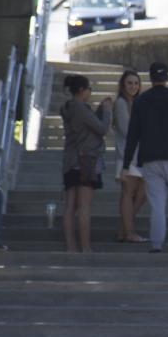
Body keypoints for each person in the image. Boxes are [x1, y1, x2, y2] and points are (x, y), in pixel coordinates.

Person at [121, 61, 168, 254]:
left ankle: (157, 243)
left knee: (157, 204)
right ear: (167, 78)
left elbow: (133, 135)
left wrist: (126, 163)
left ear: (150, 78)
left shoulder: (141, 101)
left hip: (150, 158)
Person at [60, 73, 111, 254]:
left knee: (70, 206)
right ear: (81, 90)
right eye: (89, 89)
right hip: (85, 159)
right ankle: (85, 246)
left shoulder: (67, 107)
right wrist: (106, 110)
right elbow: (101, 128)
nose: (90, 92)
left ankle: (71, 246)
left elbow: (86, 125)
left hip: (70, 159)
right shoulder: (80, 108)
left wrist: (96, 111)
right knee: (84, 206)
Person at [110, 69, 148, 243]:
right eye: (129, 83)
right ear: (123, 85)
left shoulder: (140, 102)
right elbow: (126, 130)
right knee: (128, 192)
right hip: (127, 154)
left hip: (141, 155)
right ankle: (129, 231)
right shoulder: (120, 103)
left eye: (136, 83)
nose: (133, 86)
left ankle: (123, 229)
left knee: (142, 193)